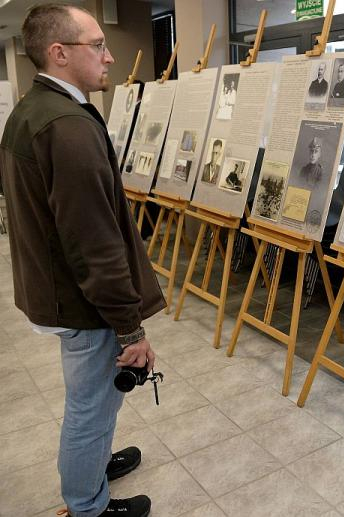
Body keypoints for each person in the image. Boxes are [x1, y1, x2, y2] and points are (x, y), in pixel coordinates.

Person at [0, 4, 164, 516]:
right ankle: (87, 505)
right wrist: (131, 330)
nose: (110, 56)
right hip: (81, 301)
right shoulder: (65, 125)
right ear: (59, 52)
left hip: (58, 290)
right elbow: (94, 244)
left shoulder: (33, 111)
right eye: (98, 45)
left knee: (92, 403)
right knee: (90, 408)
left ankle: (91, 465)